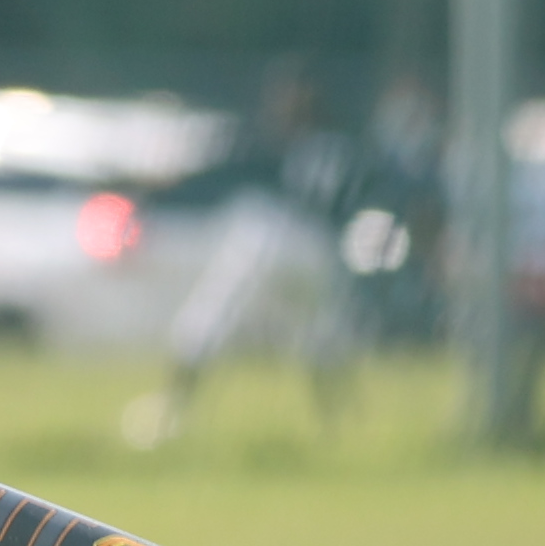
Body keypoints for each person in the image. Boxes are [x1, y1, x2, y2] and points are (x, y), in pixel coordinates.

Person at [133, 58, 371, 446]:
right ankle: (342, 426)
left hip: (272, 236)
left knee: (204, 325)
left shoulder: (275, 140)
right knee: (322, 340)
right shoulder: (343, 143)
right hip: (318, 248)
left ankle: (170, 414)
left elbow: (227, 171)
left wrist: (162, 188)